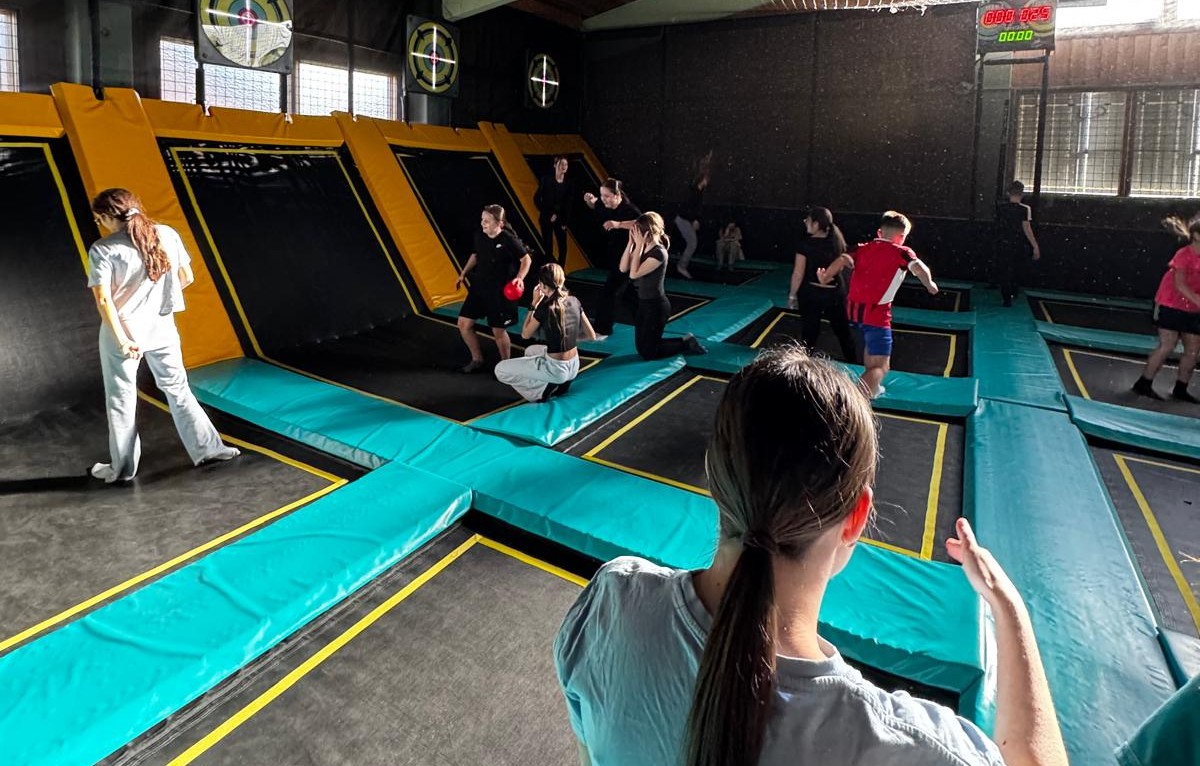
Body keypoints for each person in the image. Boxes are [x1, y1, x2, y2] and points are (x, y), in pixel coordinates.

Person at [555, 347, 1068, 766]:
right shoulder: (909, 747)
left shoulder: (612, 599)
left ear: (715, 477)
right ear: (856, 516)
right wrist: (1009, 608)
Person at [86, 188, 240, 483]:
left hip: (124, 330)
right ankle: (209, 449)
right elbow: (186, 277)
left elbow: (104, 301)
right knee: (178, 388)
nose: (100, 224)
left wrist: (123, 340)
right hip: (162, 326)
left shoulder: (103, 249)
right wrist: (156, 298)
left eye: (99, 219)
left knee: (121, 398)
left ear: (106, 216)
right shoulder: (167, 234)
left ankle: (122, 470)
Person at [818, 211, 937, 398]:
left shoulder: (862, 248)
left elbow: (842, 259)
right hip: (876, 314)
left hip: (854, 312)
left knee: (871, 355)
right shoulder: (902, 252)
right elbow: (919, 268)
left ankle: (873, 389)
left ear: (879, 233)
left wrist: (825, 277)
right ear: (901, 237)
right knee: (881, 366)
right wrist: (930, 285)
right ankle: (856, 400)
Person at [496, 263, 597, 403]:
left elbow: (525, 334)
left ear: (542, 285)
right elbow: (592, 336)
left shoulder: (544, 308)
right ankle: (562, 382)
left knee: (499, 370)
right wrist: (569, 338)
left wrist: (534, 303)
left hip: (556, 369)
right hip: (574, 365)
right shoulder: (575, 301)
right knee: (531, 351)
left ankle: (541, 392)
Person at [454, 204, 533, 374]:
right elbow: (475, 255)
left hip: (500, 292)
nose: (482, 223)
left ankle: (506, 367)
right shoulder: (479, 236)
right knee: (463, 324)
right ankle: (477, 359)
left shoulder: (508, 240)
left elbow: (526, 260)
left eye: (487, 221)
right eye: (482, 220)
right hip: (480, 287)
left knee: (498, 331)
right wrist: (463, 273)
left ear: (499, 224)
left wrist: (519, 278)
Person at [620, 212, 706, 360]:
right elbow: (623, 268)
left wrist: (638, 245)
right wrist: (631, 243)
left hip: (656, 307)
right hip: (643, 304)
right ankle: (686, 340)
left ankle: (686, 344)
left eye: (639, 232)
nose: (636, 235)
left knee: (649, 353)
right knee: (643, 348)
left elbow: (633, 274)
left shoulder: (659, 253)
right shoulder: (642, 248)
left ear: (648, 233)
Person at [1132, 214, 1200, 402]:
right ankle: (1144, 383)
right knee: (1167, 345)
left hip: (1192, 308)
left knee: (1193, 350)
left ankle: (1181, 388)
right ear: (1196, 236)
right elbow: (1179, 284)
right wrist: (1197, 300)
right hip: (1171, 304)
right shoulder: (1184, 255)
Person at [787, 207, 857, 363]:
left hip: (812, 294)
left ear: (816, 224)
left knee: (810, 332)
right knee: (842, 331)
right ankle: (853, 363)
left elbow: (798, 273)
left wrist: (792, 295)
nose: (805, 223)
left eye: (808, 220)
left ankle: (804, 365)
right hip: (834, 293)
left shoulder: (805, 244)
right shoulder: (837, 242)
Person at [583, 179, 640, 340]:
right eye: (602, 195)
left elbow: (642, 224)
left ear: (617, 195)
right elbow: (596, 204)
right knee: (628, 295)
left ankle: (603, 329)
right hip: (616, 257)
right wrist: (590, 200)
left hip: (628, 260)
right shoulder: (605, 204)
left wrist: (618, 224)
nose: (604, 199)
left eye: (607, 196)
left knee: (609, 293)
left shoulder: (629, 209)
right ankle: (647, 321)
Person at [995, 180, 1042, 307]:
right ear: (1022, 194)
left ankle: (1006, 298)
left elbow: (999, 226)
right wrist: (1035, 246)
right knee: (1016, 269)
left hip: (1003, 242)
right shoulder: (1025, 209)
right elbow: (1027, 228)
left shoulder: (1001, 208)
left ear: (1008, 193)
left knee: (1005, 270)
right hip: (1018, 243)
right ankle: (1013, 292)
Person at [535, 155, 572, 264]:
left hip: (561, 219)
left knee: (563, 247)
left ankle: (560, 270)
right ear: (555, 165)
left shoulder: (569, 183)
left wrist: (564, 220)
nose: (563, 166)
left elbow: (568, 203)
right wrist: (548, 213)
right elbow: (537, 199)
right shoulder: (546, 180)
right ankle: (549, 270)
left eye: (566, 164)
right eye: (561, 164)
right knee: (548, 247)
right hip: (546, 217)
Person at [673, 170, 709, 280]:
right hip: (683, 219)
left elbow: (695, 209)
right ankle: (681, 266)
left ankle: (681, 265)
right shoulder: (694, 192)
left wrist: (695, 220)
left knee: (692, 242)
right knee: (692, 243)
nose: (707, 181)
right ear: (702, 180)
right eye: (706, 179)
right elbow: (688, 208)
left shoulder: (698, 192)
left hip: (685, 219)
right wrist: (694, 220)